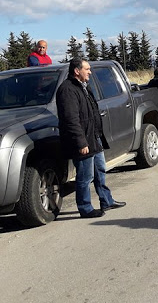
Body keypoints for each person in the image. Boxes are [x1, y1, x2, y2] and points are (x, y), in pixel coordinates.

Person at [56, 58, 125, 218]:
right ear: (76, 71)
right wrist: (81, 142)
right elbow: (70, 119)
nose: (90, 72)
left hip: (93, 137)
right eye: (87, 69)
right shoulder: (67, 90)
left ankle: (106, 200)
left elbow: (92, 112)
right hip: (82, 141)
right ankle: (85, 208)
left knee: (100, 170)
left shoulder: (84, 87)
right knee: (85, 176)